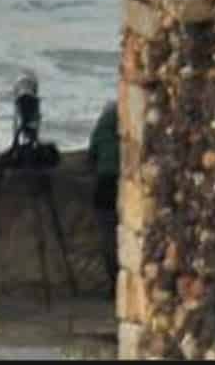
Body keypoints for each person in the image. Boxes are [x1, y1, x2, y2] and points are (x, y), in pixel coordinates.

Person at [88, 99, 120, 288]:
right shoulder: (125, 133)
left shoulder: (100, 132)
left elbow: (91, 157)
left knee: (107, 237)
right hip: (120, 186)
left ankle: (113, 282)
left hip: (104, 187)